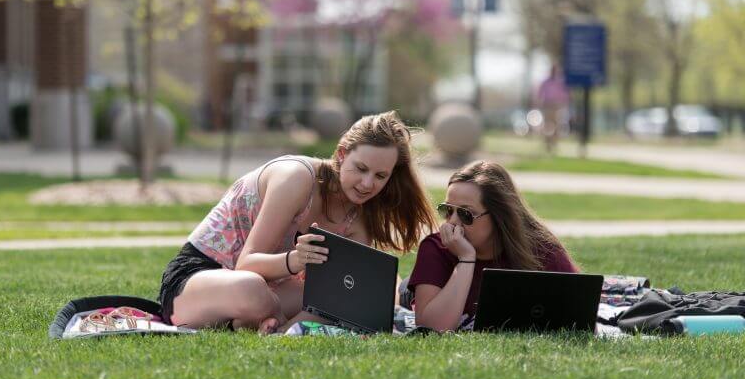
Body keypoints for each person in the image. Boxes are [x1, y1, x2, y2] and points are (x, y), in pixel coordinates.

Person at [158, 111, 436, 333]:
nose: (367, 184)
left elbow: (339, 296)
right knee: (251, 288)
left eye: (380, 176)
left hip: (272, 292)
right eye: (361, 169)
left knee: (349, 300)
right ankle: (257, 318)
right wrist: (295, 260)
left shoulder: (358, 217)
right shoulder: (296, 177)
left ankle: (260, 324)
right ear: (341, 154)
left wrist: (291, 330)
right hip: (197, 282)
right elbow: (247, 263)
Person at [407, 160, 579, 332]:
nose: (452, 222)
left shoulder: (541, 249)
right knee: (406, 293)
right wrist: (466, 259)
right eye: (448, 210)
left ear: (499, 216)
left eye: (465, 213)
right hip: (418, 291)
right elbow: (430, 329)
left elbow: (581, 319)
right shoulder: (436, 247)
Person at [535, 64, 570, 154]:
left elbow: (565, 95)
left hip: (557, 105)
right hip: (547, 105)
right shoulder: (545, 82)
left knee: (557, 126)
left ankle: (554, 143)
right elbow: (540, 94)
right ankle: (547, 143)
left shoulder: (560, 82)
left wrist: (563, 104)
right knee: (547, 125)